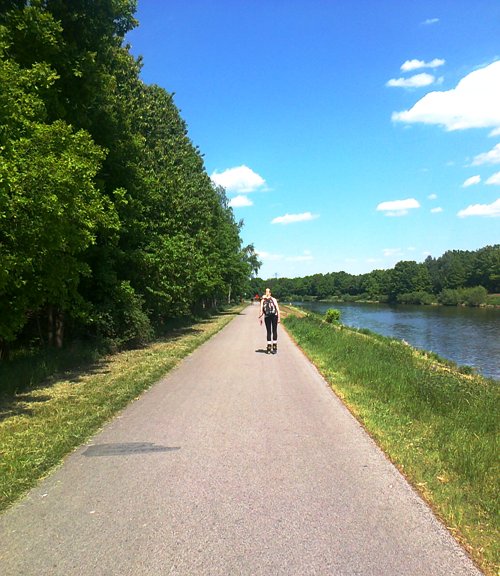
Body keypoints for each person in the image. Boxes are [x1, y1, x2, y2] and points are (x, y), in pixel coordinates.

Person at [258, 288, 280, 354]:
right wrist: (260, 317)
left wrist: (279, 318)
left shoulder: (264, 300)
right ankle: (272, 347)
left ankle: (271, 347)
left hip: (270, 316)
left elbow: (261, 310)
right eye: (266, 292)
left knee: (271, 331)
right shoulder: (272, 299)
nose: (266, 293)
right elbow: (261, 310)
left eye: (267, 292)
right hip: (272, 316)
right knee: (271, 331)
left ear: (270, 293)